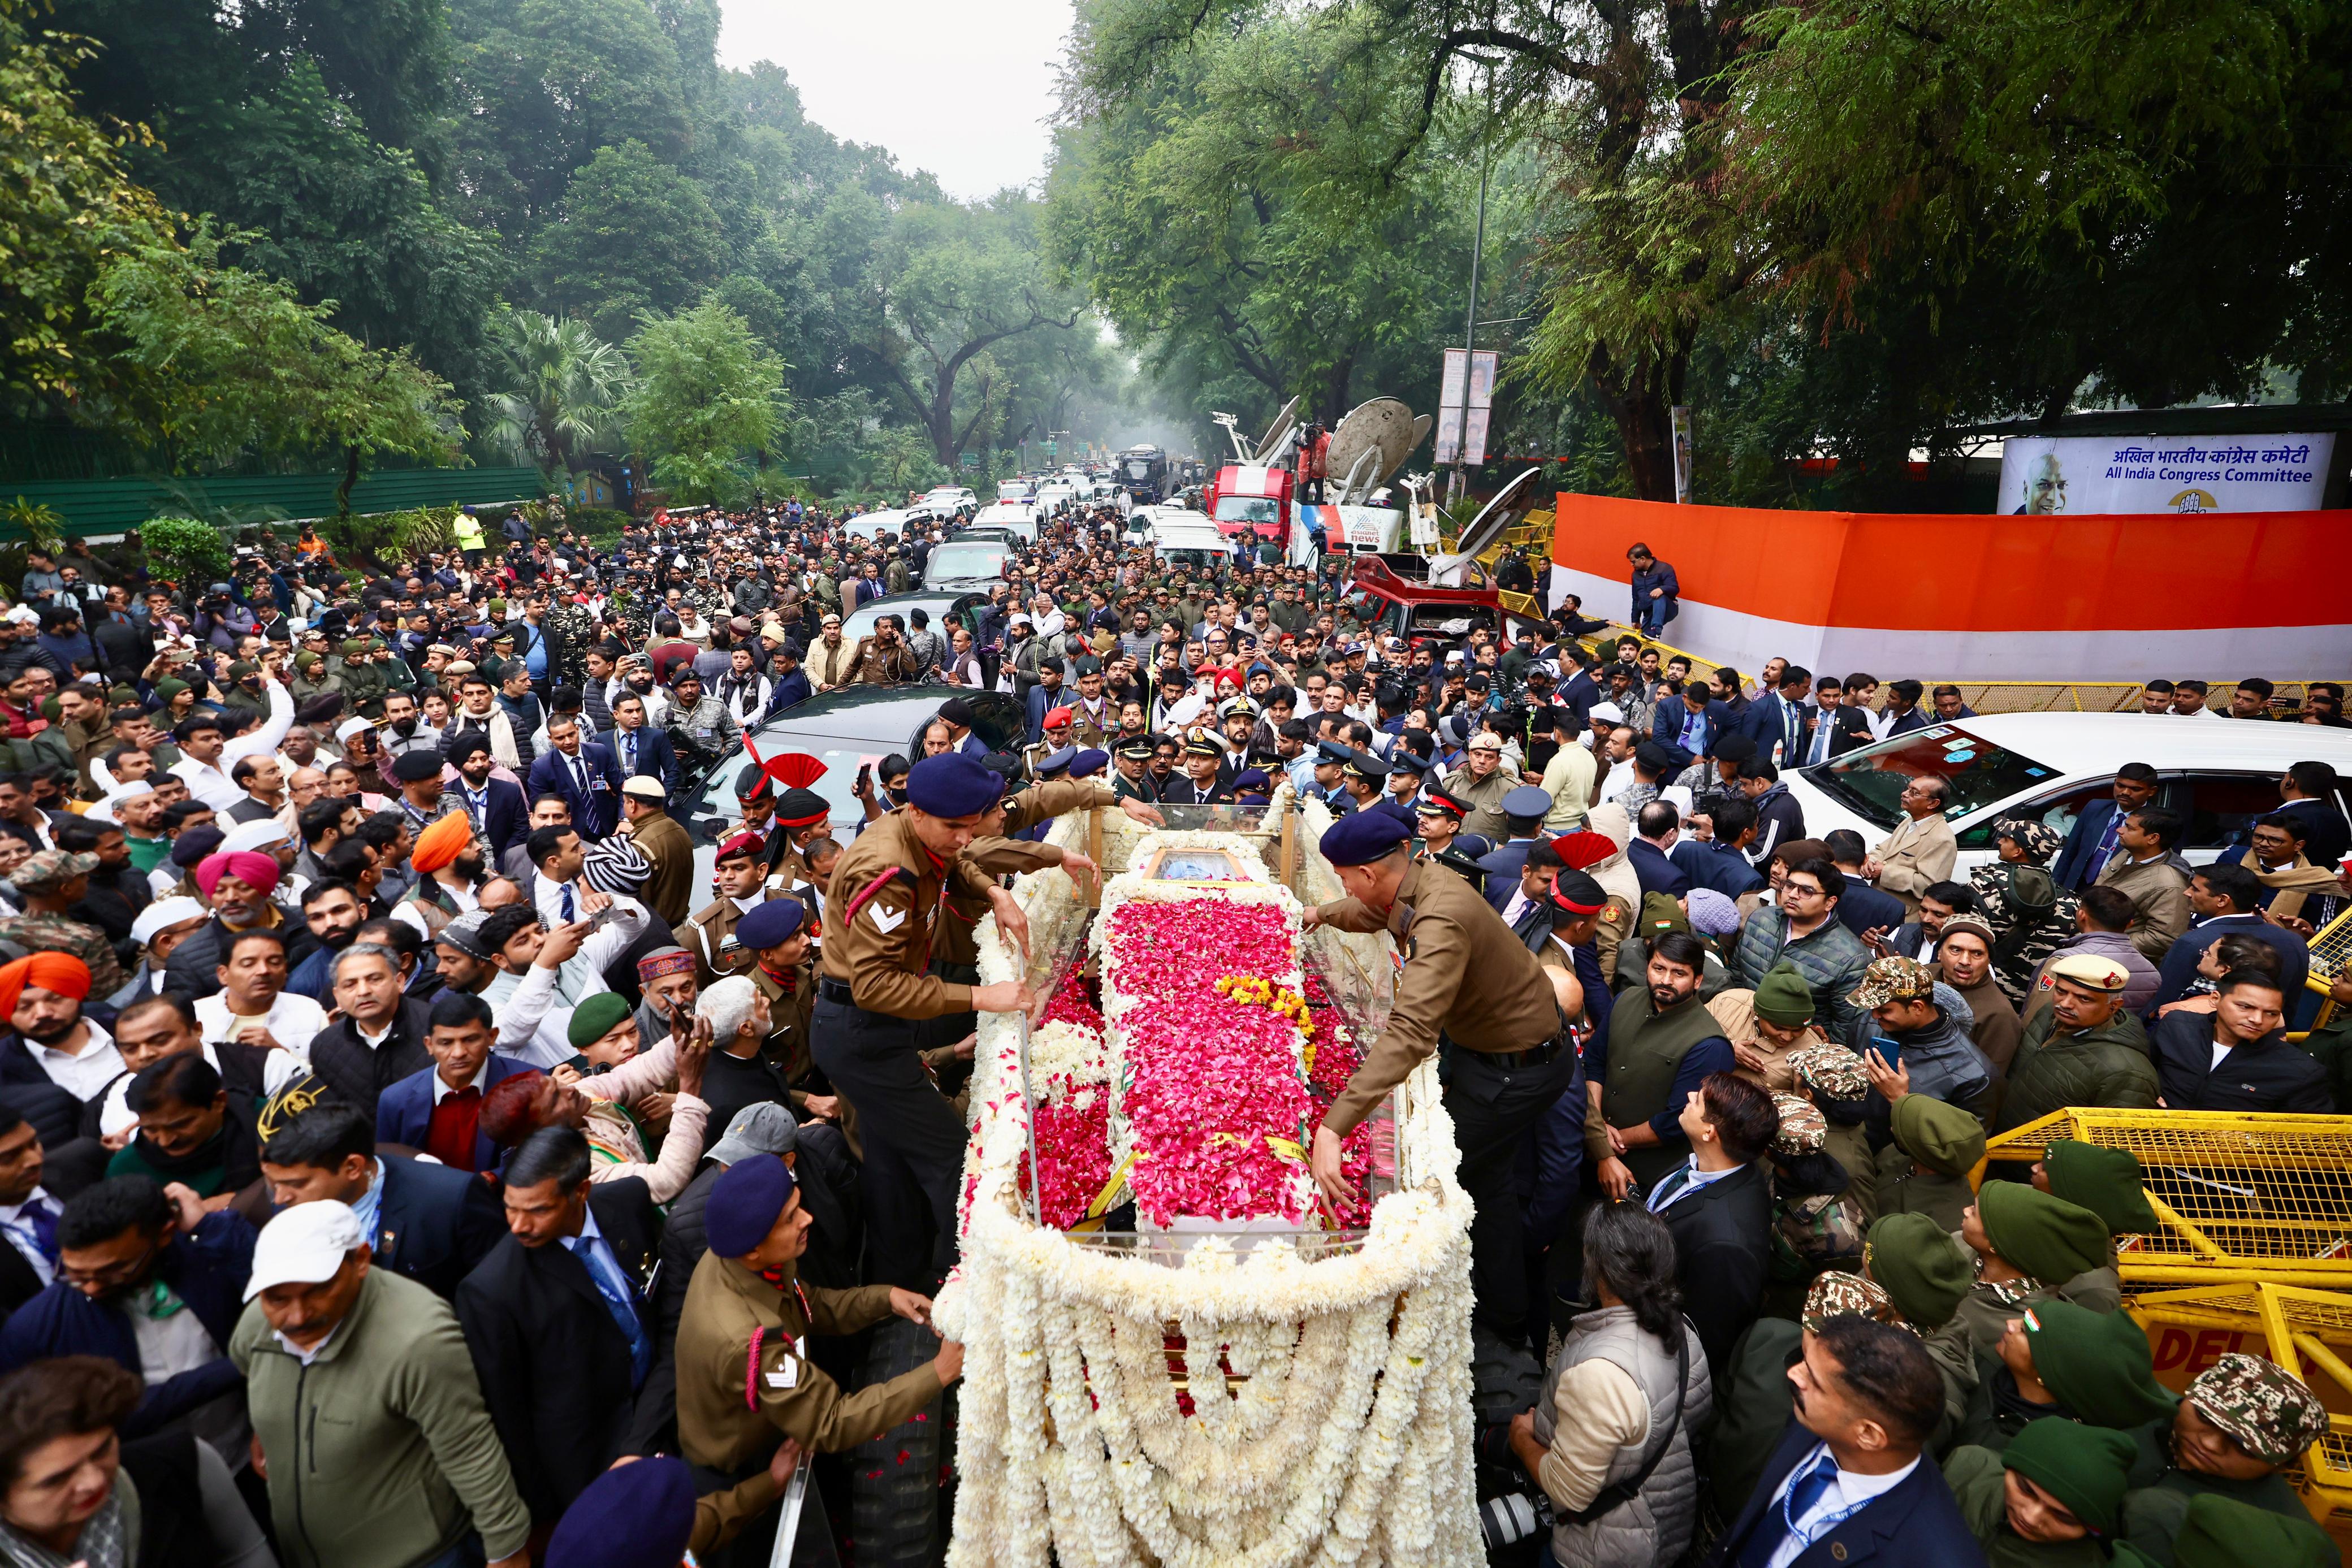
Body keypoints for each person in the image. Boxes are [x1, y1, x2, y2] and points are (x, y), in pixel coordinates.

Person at [1303, 810, 1573, 1343]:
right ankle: (1507, 1314)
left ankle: (1462, 1325)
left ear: (1372, 873)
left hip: (1515, 1075)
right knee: (1488, 1184)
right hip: (1496, 1056)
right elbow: (1375, 915)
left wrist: (1334, 1127)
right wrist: (1320, 912)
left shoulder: (1440, 916)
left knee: (1438, 1182)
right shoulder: (1418, 881)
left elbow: (1412, 1030)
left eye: (1344, 876)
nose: (1345, 886)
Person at [814, 752, 1032, 1290]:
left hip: (872, 1026)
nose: (964, 838)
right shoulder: (888, 871)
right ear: (916, 811)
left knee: (890, 1165)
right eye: (954, 827)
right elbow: (876, 985)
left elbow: (952, 859)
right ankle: (961, 1281)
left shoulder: (918, 833)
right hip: (861, 1029)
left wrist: (993, 891)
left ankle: (899, 1279)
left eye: (970, 824)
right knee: (952, 1159)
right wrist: (984, 997)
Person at [675, 1155, 957, 1565]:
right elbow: (831, 1422)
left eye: (799, 1205)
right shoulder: (746, 1339)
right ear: (755, 1249)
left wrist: (886, 1298)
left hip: (776, 1433)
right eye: (791, 1219)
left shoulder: (742, 1258)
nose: (807, 1219)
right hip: (739, 1484)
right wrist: (938, 1373)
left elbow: (811, 1307)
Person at [230, 1199, 532, 1568]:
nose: (297, 1315)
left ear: (360, 1261)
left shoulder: (419, 1339)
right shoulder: (255, 1327)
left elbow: (469, 1450)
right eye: (277, 1299)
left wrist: (507, 1552)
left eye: (316, 1292)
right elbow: (252, 1372)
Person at [455, 1125, 659, 1531]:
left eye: (538, 1210)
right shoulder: (492, 1291)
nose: (518, 1225)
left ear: (580, 1191)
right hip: (590, 1472)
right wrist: (548, 1515)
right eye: (511, 1208)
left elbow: (662, 1313)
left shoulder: (629, 1202)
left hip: (663, 1416)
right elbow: (509, 1420)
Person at [1507, 1202, 1711, 1568]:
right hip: (1665, 1523)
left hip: (1603, 1547)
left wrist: (1522, 1440)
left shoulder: (1600, 1374)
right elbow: (1692, 1418)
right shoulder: (1683, 1331)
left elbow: (1569, 1488)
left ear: (1596, 1268)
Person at [1702, 1315, 1983, 1568]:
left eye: (1814, 1381)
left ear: (1868, 1435)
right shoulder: (1813, 1423)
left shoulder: (1935, 1555)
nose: (1793, 1374)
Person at [0, 1176, 252, 1445]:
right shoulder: (36, 1329)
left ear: (165, 1235)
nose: (92, 1288)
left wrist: (209, 1227)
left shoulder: (207, 1259)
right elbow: (116, 1415)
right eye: (75, 1274)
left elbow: (268, 1295)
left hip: (245, 1443)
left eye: (113, 1272)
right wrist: (244, 1363)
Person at [0, 1354, 276, 1568]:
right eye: (58, 1479)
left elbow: (246, 1557)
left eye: (102, 1450)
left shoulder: (183, 1466)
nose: (94, 1480)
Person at [256, 1092, 502, 1300]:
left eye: (296, 1184)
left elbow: (493, 1298)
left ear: (352, 1168)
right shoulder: (289, 1208)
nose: (280, 1199)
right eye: (275, 1185)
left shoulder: (450, 1199)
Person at [2118, 1355, 2330, 1552]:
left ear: (2282, 1465)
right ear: (2189, 1395)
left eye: (2244, 1446)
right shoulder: (2124, 1411)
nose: (2211, 1445)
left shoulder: (2284, 1542)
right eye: (2205, 1417)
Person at [1648, 1072, 1778, 1375]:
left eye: (1700, 1099)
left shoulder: (1727, 1247)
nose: (1691, 1095)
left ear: (1709, 1132)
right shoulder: (1709, 1160)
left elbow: (1704, 1341)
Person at [1594, 932, 1739, 1197]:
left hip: (1644, 1175)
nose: (1666, 980)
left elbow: (1674, 1123)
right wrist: (1597, 1130)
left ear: (1698, 981)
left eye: (1679, 973)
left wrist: (1609, 1142)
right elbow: (1594, 1063)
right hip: (1593, 1146)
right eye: (1658, 968)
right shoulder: (1624, 1001)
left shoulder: (1709, 1044)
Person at [1943, 1417, 2137, 1568]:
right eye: (2026, 1490)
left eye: (2063, 1517)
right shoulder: (1966, 1467)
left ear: (2090, 1529)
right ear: (2010, 1466)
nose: (2030, 1517)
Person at [1997, 955, 2158, 1134]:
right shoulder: (2048, 1014)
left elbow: (2114, 1146)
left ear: (2114, 1006)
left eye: (2084, 999)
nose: (2065, 1004)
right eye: (2061, 992)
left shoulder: (2128, 1073)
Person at [1730, 858, 1874, 1048]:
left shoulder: (1852, 958)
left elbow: (1845, 1027)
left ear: (1829, 902)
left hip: (1794, 1048)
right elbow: (1736, 973)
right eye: (1789, 886)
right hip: (1740, 1032)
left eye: (1806, 891)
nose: (1793, 895)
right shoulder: (1761, 919)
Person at [1954, 1184, 2111, 1355]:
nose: (1966, 1211)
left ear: (1997, 1244)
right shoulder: (1957, 1246)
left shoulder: (2026, 1330)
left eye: (1975, 1213)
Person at [2150, 969, 2328, 1112]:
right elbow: (2144, 1069)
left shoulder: (2299, 1071)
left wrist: (2254, 1139)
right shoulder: (2176, 1027)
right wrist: (2147, 1096)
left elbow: (2310, 1138)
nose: (2257, 1019)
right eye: (2245, 1007)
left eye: (2271, 1013)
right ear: (2215, 999)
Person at [2091, 808, 2192, 961]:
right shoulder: (2128, 854)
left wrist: (2105, 946)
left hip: (2117, 963)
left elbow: (2162, 939)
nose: (2119, 830)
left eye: (2129, 828)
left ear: (2153, 838)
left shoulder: (2170, 884)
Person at [1864, 776, 1958, 917]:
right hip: (1878, 903)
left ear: (1933, 803)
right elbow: (1885, 850)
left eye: (1914, 792)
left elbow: (1929, 886)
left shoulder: (1942, 839)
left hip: (1900, 915)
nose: (1905, 794)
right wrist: (1870, 862)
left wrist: (1885, 871)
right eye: (1907, 789)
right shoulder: (1910, 820)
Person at [619, 776, 694, 925]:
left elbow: (638, 907)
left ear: (632, 804)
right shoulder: (678, 829)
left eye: (625, 802)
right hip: (680, 926)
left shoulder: (639, 845)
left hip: (656, 934)